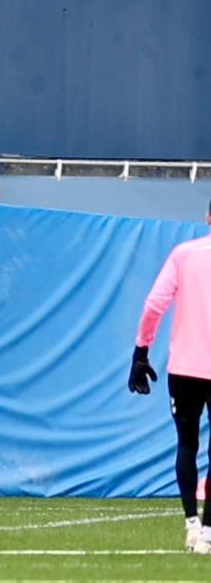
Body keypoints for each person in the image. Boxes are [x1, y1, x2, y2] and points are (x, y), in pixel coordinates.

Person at [130, 199, 211, 555]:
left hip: (185, 368)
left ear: (208, 216)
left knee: (187, 444)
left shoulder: (184, 254)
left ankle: (192, 523)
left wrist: (141, 352)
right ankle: (208, 531)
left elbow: (154, 304)